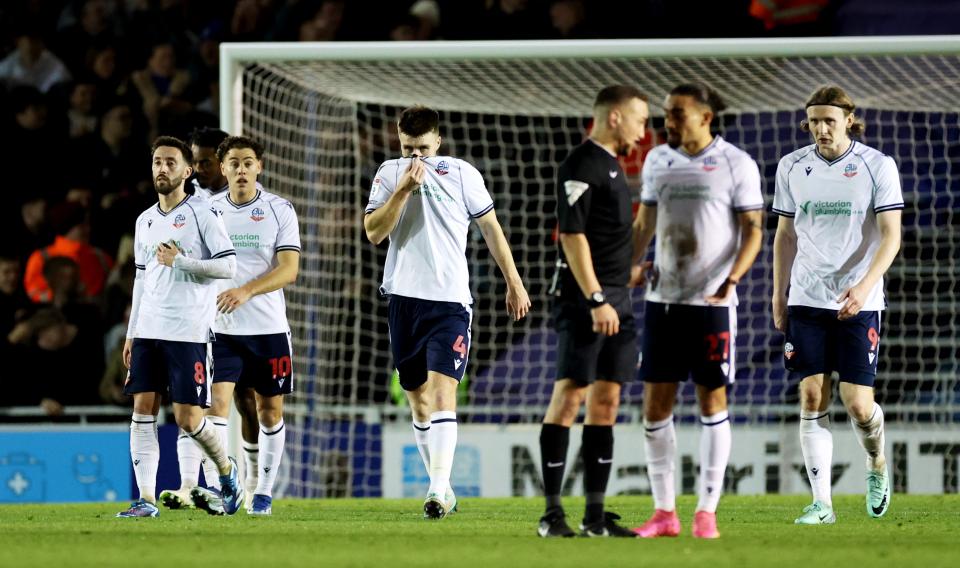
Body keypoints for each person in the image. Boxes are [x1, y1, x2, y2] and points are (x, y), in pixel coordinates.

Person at [364, 105, 530, 519]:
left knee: (442, 393)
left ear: (437, 141)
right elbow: (373, 233)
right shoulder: (389, 174)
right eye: (407, 149)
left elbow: (491, 228)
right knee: (417, 400)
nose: (416, 158)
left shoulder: (461, 173)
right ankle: (444, 487)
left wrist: (514, 280)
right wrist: (403, 188)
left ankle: (436, 491)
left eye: (422, 148)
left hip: (450, 303)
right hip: (403, 300)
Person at [630, 84, 764, 539]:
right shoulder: (657, 161)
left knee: (712, 400)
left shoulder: (736, 163)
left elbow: (753, 231)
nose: (667, 120)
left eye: (677, 113)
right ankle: (664, 513)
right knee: (654, 406)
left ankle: (707, 510)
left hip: (711, 303)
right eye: (666, 113)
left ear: (705, 116)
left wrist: (731, 281)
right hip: (662, 300)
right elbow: (645, 223)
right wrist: (629, 264)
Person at [772, 85, 901, 525]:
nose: (821, 128)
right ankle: (822, 504)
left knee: (858, 404)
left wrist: (865, 287)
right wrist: (779, 292)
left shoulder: (876, 165)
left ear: (849, 119)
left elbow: (891, 235)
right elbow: (785, 236)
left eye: (830, 120)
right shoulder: (791, 166)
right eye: (814, 120)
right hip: (807, 295)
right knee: (811, 394)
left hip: (858, 299)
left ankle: (877, 463)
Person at [537, 85, 649, 538]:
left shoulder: (615, 169)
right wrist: (597, 298)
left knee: (607, 402)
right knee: (570, 396)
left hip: (617, 299)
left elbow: (603, 241)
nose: (645, 133)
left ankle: (595, 517)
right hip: (584, 302)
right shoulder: (581, 162)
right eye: (641, 120)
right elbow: (573, 235)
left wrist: (630, 275)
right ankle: (551, 515)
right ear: (616, 117)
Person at [116, 136, 243, 518]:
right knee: (142, 409)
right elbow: (141, 279)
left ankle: (226, 470)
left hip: (187, 330)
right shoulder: (145, 220)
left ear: (187, 172)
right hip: (149, 329)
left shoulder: (204, 213)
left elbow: (228, 267)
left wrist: (183, 261)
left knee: (188, 419)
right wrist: (132, 331)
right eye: (157, 161)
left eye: (171, 162)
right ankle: (145, 499)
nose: (162, 168)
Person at [173, 136, 300, 517]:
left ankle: (261, 492)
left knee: (269, 413)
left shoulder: (280, 210)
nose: (241, 170)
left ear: (259, 167)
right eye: (234, 163)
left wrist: (246, 290)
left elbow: (289, 269)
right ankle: (218, 487)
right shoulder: (206, 211)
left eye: (248, 163)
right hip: (220, 330)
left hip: (268, 328)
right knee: (214, 406)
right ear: (222, 168)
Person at [189, 127, 230, 199]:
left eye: (206, 164)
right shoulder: (187, 188)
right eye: (194, 162)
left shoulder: (245, 197)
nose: (198, 169)